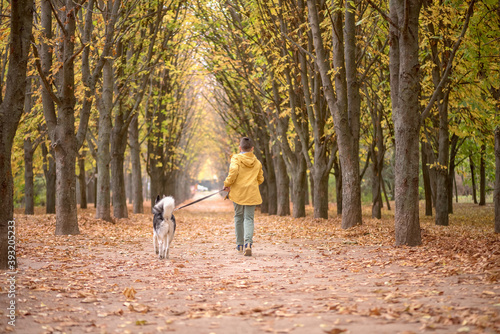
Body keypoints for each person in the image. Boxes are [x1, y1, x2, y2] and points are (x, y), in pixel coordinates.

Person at [223, 137, 264, 256]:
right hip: (251, 193)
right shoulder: (257, 162)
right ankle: (248, 244)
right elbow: (260, 179)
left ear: (240, 148)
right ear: (252, 149)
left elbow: (233, 172)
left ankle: (240, 244)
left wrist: (227, 184)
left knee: (238, 217)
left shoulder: (236, 158)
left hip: (238, 193)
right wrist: (251, 183)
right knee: (249, 218)